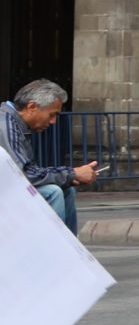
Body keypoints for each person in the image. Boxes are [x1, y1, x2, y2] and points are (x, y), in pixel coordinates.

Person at [2, 80, 94, 231]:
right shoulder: (6, 124)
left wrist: (69, 176)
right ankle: (55, 249)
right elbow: (25, 174)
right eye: (52, 115)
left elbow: (28, 171)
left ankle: (70, 248)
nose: (53, 121)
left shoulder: (14, 123)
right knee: (53, 192)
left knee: (66, 190)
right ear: (32, 107)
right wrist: (72, 173)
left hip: (7, 187)